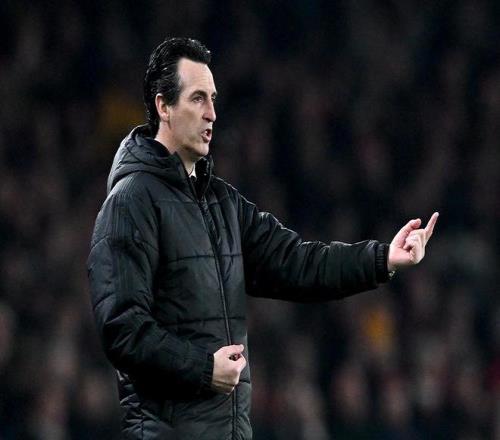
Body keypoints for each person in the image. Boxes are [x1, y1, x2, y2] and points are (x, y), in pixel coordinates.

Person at [87, 37, 438, 439]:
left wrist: (382, 258)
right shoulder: (131, 201)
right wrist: (204, 368)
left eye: (213, 99)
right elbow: (123, 329)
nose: (212, 113)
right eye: (198, 99)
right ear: (163, 106)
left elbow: (298, 262)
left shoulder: (222, 203)